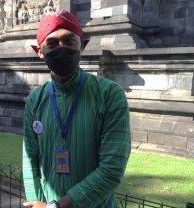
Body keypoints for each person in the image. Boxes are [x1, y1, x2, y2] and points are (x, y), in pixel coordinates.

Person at [22, 10, 131, 208]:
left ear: (83, 44)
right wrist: (37, 202)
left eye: (69, 40)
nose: (61, 48)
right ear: (39, 51)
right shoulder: (35, 100)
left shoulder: (109, 95)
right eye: (52, 43)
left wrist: (58, 206)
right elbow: (30, 158)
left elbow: (112, 169)